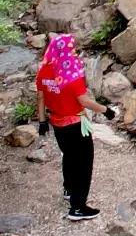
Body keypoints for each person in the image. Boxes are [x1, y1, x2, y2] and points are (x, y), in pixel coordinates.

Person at [35, 31, 99, 221]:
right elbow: (84, 100)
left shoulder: (44, 70)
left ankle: (69, 189)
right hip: (76, 123)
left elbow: (40, 97)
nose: (75, 51)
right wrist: (106, 110)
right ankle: (78, 208)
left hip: (56, 123)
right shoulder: (71, 73)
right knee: (84, 163)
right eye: (73, 48)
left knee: (68, 156)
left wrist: (41, 121)